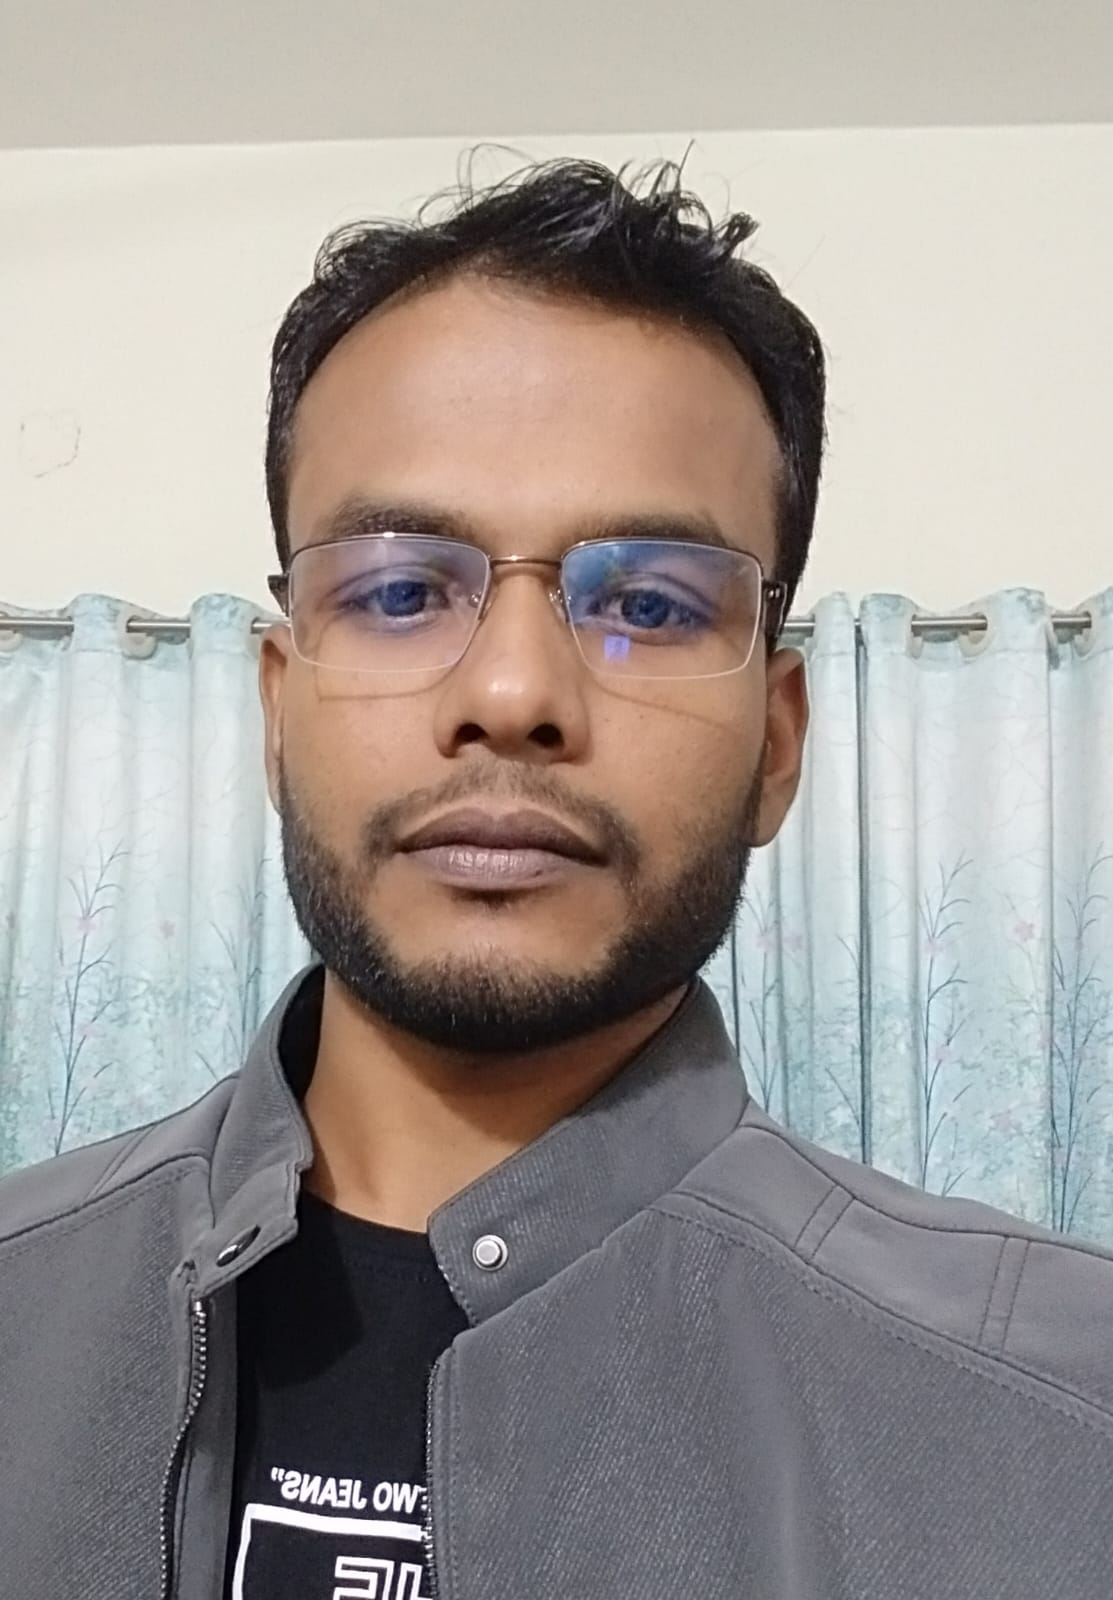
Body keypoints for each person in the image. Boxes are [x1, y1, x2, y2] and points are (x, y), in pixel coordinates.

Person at [2, 156, 1112, 1600]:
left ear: (777, 743)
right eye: (401, 590)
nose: (514, 693)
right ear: (277, 710)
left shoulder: (1061, 1427)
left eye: (647, 602)